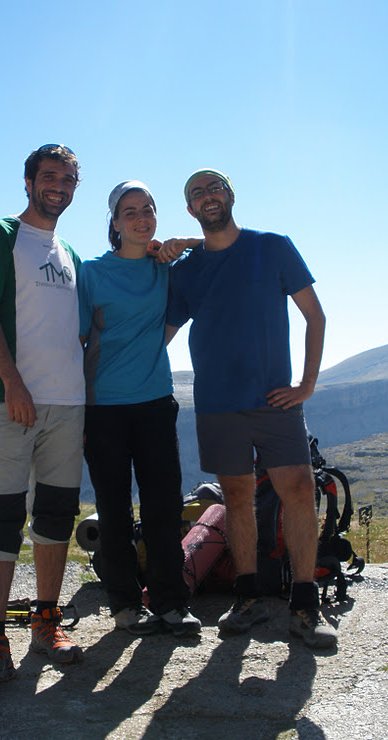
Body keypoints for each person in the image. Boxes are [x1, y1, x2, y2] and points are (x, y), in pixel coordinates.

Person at [164, 168, 337, 648]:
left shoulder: (272, 246)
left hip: (273, 399)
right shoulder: (187, 270)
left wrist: (306, 384)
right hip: (217, 403)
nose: (207, 196)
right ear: (190, 209)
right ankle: (248, 598)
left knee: (299, 489)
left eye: (213, 187)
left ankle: (305, 604)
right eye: (196, 193)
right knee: (236, 498)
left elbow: (315, 315)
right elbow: (162, 334)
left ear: (230, 195)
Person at [0, 144, 86, 697]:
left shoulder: (69, 249)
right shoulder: (0, 235)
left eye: (67, 178)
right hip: (10, 401)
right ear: (29, 181)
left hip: (68, 405)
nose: (58, 185)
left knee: (56, 513)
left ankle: (44, 625)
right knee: (1, 515)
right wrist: (12, 382)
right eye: (49, 176)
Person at [78, 180, 201, 637]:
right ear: (114, 223)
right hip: (104, 406)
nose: (139, 216)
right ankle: (125, 606)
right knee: (113, 508)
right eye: (128, 211)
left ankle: (172, 604)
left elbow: (214, 244)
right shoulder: (91, 272)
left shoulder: (163, 266)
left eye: (147, 209)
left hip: (154, 400)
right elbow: (76, 340)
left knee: (163, 507)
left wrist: (177, 243)